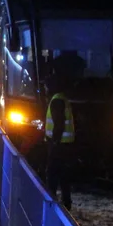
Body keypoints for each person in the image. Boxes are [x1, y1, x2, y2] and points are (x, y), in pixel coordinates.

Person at [44, 71, 77, 210]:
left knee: (52, 173)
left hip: (59, 145)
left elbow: (59, 123)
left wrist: (54, 142)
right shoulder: (63, 99)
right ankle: (66, 203)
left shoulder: (56, 100)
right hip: (66, 144)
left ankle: (51, 202)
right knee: (64, 175)